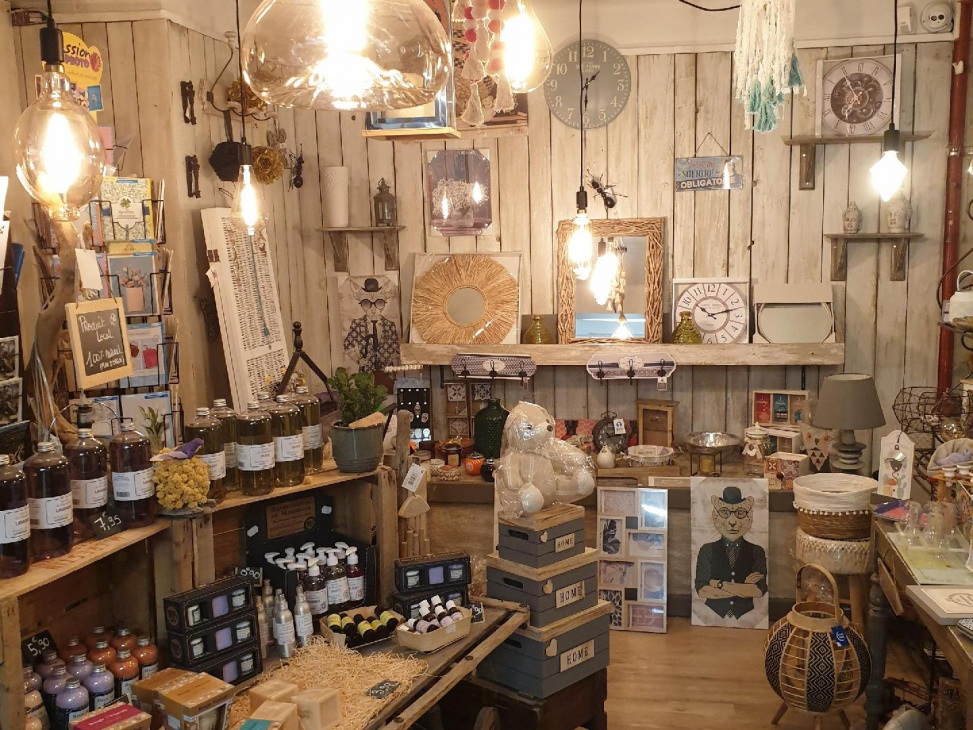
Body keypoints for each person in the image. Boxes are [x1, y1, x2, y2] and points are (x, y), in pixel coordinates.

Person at [694, 485, 768, 621]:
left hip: (748, 617)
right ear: (715, 516)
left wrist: (717, 584)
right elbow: (702, 590)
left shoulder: (757, 551)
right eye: (724, 512)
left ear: (750, 516)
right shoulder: (707, 550)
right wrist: (743, 588)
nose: (732, 521)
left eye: (740, 513)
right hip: (711, 615)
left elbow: (758, 591)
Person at [342, 277, 400, 373]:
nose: (373, 309)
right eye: (366, 303)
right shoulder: (357, 324)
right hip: (366, 374)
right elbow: (347, 346)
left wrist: (389, 362)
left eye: (379, 303)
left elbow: (397, 348)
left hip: (386, 373)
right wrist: (358, 360)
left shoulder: (390, 325)